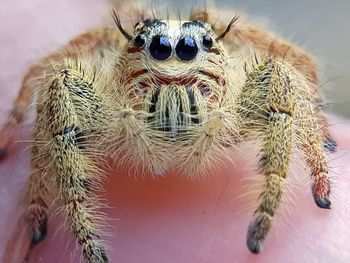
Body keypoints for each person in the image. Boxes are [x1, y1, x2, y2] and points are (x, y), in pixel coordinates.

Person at [1, 1, 350, 262]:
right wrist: (35, 189)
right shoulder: (104, 92)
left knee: (281, 74)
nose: (173, 64)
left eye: (192, 49)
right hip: (119, 117)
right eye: (154, 49)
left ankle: (270, 209)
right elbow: (49, 76)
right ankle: (77, 228)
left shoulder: (245, 92)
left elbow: (292, 71)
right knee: (60, 81)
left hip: (222, 112)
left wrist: (317, 159)